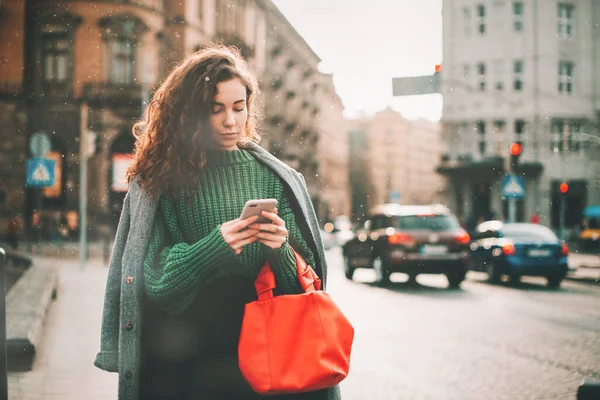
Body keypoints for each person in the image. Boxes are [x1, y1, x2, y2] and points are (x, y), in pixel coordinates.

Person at [94, 45, 340, 400]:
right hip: (184, 358)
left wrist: (279, 249)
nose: (231, 121)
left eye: (239, 108)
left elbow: (305, 288)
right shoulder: (160, 180)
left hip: (268, 356)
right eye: (216, 109)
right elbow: (156, 283)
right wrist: (215, 247)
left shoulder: (276, 177)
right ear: (190, 113)